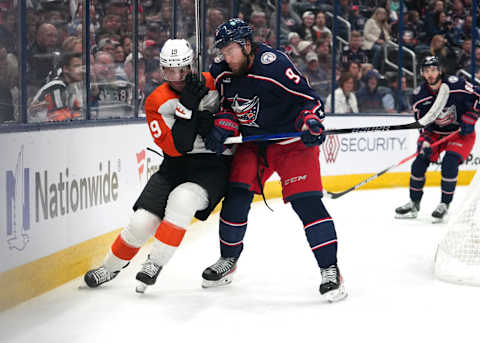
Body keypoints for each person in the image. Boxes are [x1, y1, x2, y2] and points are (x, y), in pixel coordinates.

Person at [201, 18, 347, 302]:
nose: (226, 57)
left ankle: (330, 269)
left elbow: (310, 100)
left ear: (246, 45)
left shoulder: (274, 65)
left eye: (231, 50)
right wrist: (225, 123)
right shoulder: (221, 71)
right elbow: (226, 107)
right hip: (254, 144)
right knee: (236, 198)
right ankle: (228, 260)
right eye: (222, 50)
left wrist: (310, 121)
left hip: (291, 142)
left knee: (307, 204)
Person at [83, 39, 233, 293]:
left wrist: (219, 119)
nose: (177, 76)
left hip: (213, 165)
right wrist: (188, 108)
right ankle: (110, 267)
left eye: (183, 69)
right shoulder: (157, 101)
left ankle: (155, 263)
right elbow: (178, 147)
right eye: (170, 71)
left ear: (191, 65)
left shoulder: (214, 83)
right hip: (176, 164)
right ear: (162, 70)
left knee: (182, 201)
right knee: (141, 222)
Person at [395, 56, 480, 222]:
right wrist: (425, 140)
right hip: (435, 134)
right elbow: (424, 124)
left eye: (433, 69)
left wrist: (471, 116)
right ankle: (414, 203)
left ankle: (444, 204)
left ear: (439, 70)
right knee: (418, 164)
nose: (430, 74)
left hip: (460, 133)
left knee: (450, 163)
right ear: (422, 73)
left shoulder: (457, 84)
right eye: (426, 71)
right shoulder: (419, 96)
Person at [28, 52, 83, 122]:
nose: (81, 70)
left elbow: (77, 110)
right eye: (76, 66)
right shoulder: (57, 86)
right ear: (66, 69)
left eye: (81, 66)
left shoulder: (71, 87)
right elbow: (60, 117)